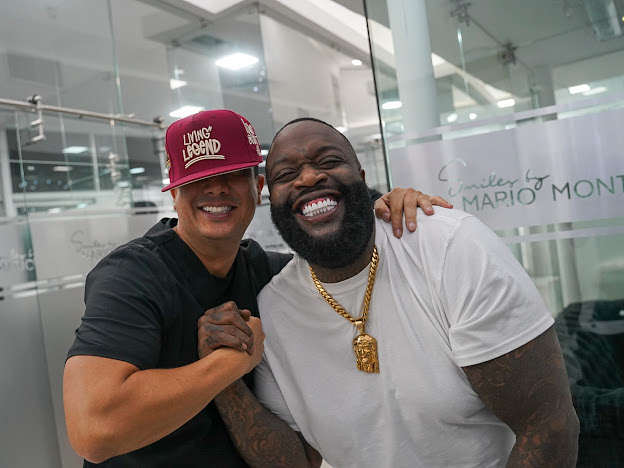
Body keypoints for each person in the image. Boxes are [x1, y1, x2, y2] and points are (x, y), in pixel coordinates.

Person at [62, 109, 448, 467]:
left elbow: (345, 253)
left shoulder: (269, 273)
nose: (216, 189)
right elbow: (93, 431)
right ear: (175, 193)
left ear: (258, 187)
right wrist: (224, 366)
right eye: (197, 178)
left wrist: (389, 210)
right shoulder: (131, 276)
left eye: (231, 174)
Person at [254, 117, 580, 468]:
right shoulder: (271, 311)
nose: (307, 177)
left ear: (362, 178)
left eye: (329, 161)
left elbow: (548, 425)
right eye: (286, 174)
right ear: (271, 200)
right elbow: (298, 459)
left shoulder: (451, 248)